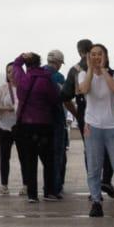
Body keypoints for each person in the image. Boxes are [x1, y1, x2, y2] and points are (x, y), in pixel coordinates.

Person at [77, 44, 114, 218]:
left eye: (99, 54)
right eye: (93, 54)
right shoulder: (83, 74)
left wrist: (103, 70)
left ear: (106, 56)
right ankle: (96, 201)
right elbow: (84, 89)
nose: (96, 57)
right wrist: (91, 70)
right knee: (94, 168)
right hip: (93, 126)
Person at [8, 51, 63, 202]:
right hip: (45, 123)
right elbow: (55, 99)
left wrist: (21, 57)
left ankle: (32, 195)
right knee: (48, 159)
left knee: (30, 160)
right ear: (39, 63)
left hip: (26, 124)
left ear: (27, 64)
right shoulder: (47, 78)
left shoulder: (22, 78)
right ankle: (49, 192)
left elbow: (16, 65)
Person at [42, 50, 71, 199]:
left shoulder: (37, 73)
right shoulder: (58, 77)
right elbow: (64, 98)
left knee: (46, 156)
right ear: (59, 63)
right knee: (57, 155)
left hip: (40, 121)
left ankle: (46, 188)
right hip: (56, 120)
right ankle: (55, 187)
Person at [0, 66, 18, 194]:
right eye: (8, 71)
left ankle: (26, 185)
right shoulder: (2, 88)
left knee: (24, 157)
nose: (11, 74)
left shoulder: (23, 88)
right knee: (4, 157)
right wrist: (5, 108)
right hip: (4, 126)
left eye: (13, 71)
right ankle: (4, 185)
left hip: (20, 126)